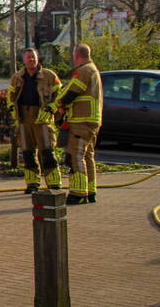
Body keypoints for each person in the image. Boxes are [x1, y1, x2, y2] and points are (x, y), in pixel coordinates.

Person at [50, 43, 103, 205]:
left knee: (75, 155)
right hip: (91, 120)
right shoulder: (93, 70)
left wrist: (55, 104)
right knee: (88, 156)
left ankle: (78, 193)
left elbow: (70, 92)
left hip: (81, 120)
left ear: (76, 55)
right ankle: (90, 190)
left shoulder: (84, 71)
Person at [6, 48, 62, 194]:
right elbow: (10, 95)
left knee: (47, 151)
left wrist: (51, 108)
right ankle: (32, 184)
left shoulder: (49, 76)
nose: (31, 60)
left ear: (38, 59)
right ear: (24, 60)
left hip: (42, 118)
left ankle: (54, 183)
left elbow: (60, 94)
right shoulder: (17, 77)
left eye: (33, 57)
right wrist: (12, 108)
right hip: (24, 118)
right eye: (28, 57)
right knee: (27, 153)